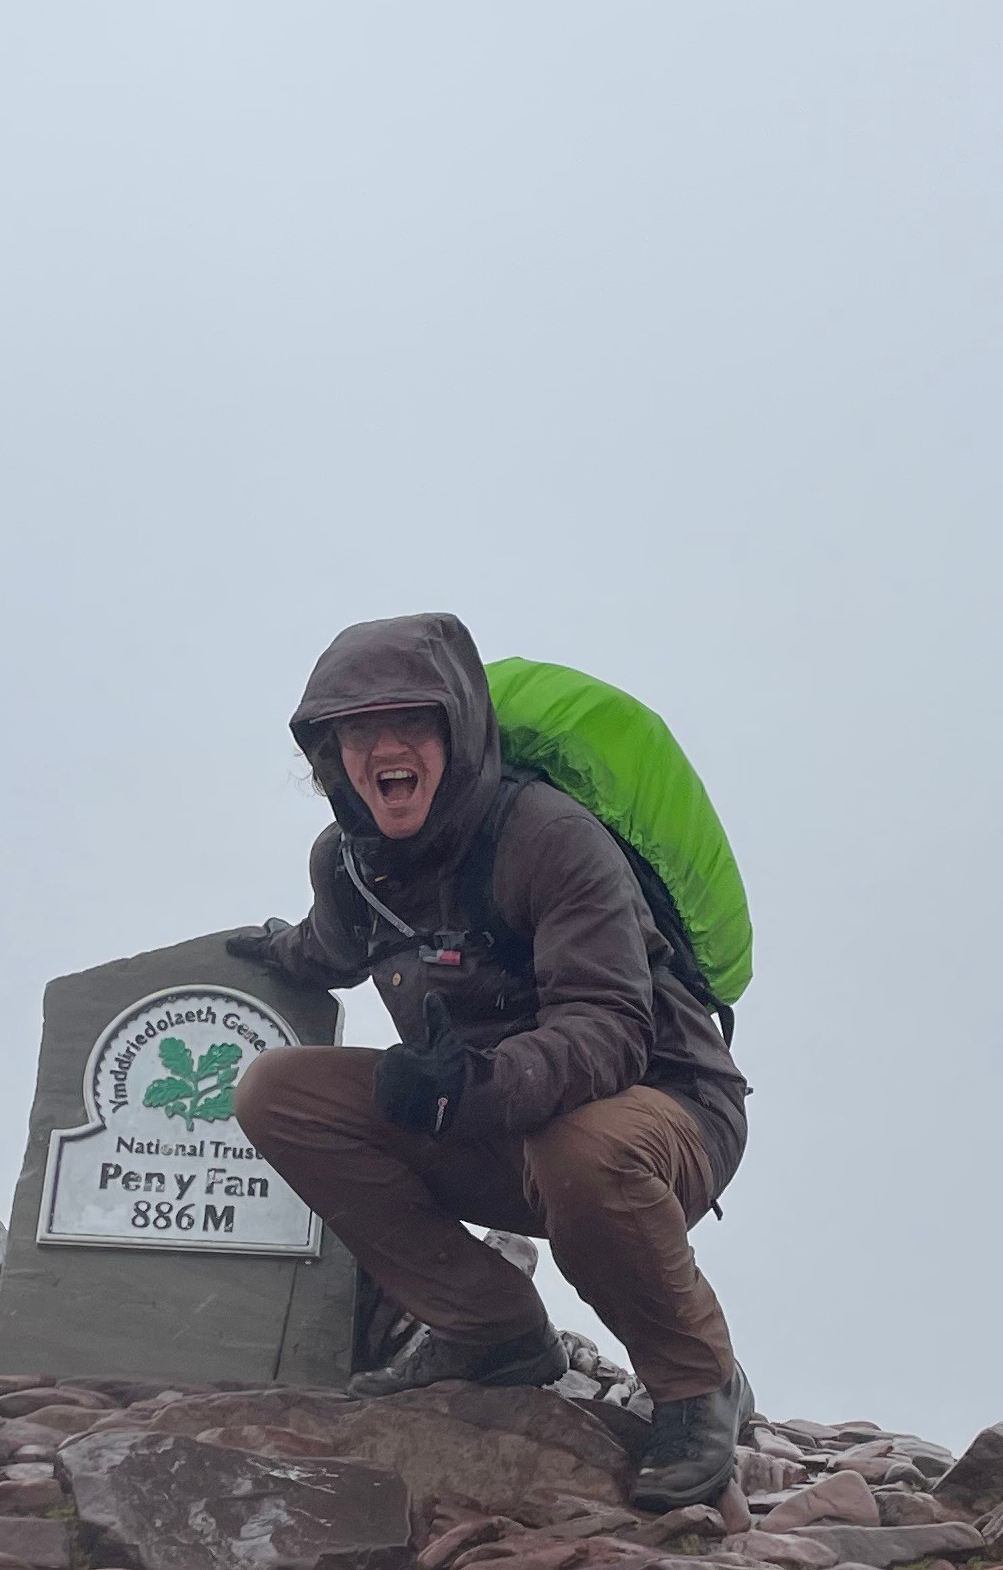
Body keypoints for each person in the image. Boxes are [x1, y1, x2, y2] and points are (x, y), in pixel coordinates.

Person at [226, 612, 753, 1512]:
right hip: (487, 1120)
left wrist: (475, 1085)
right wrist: (282, 951)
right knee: (277, 1092)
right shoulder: (351, 865)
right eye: (357, 730)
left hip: (659, 1113)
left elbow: (610, 1024)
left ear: (458, 732)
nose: (385, 747)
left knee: (580, 1147)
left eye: (411, 723)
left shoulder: (551, 837)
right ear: (329, 754)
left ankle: (698, 1382)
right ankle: (493, 1332)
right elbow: (332, 945)